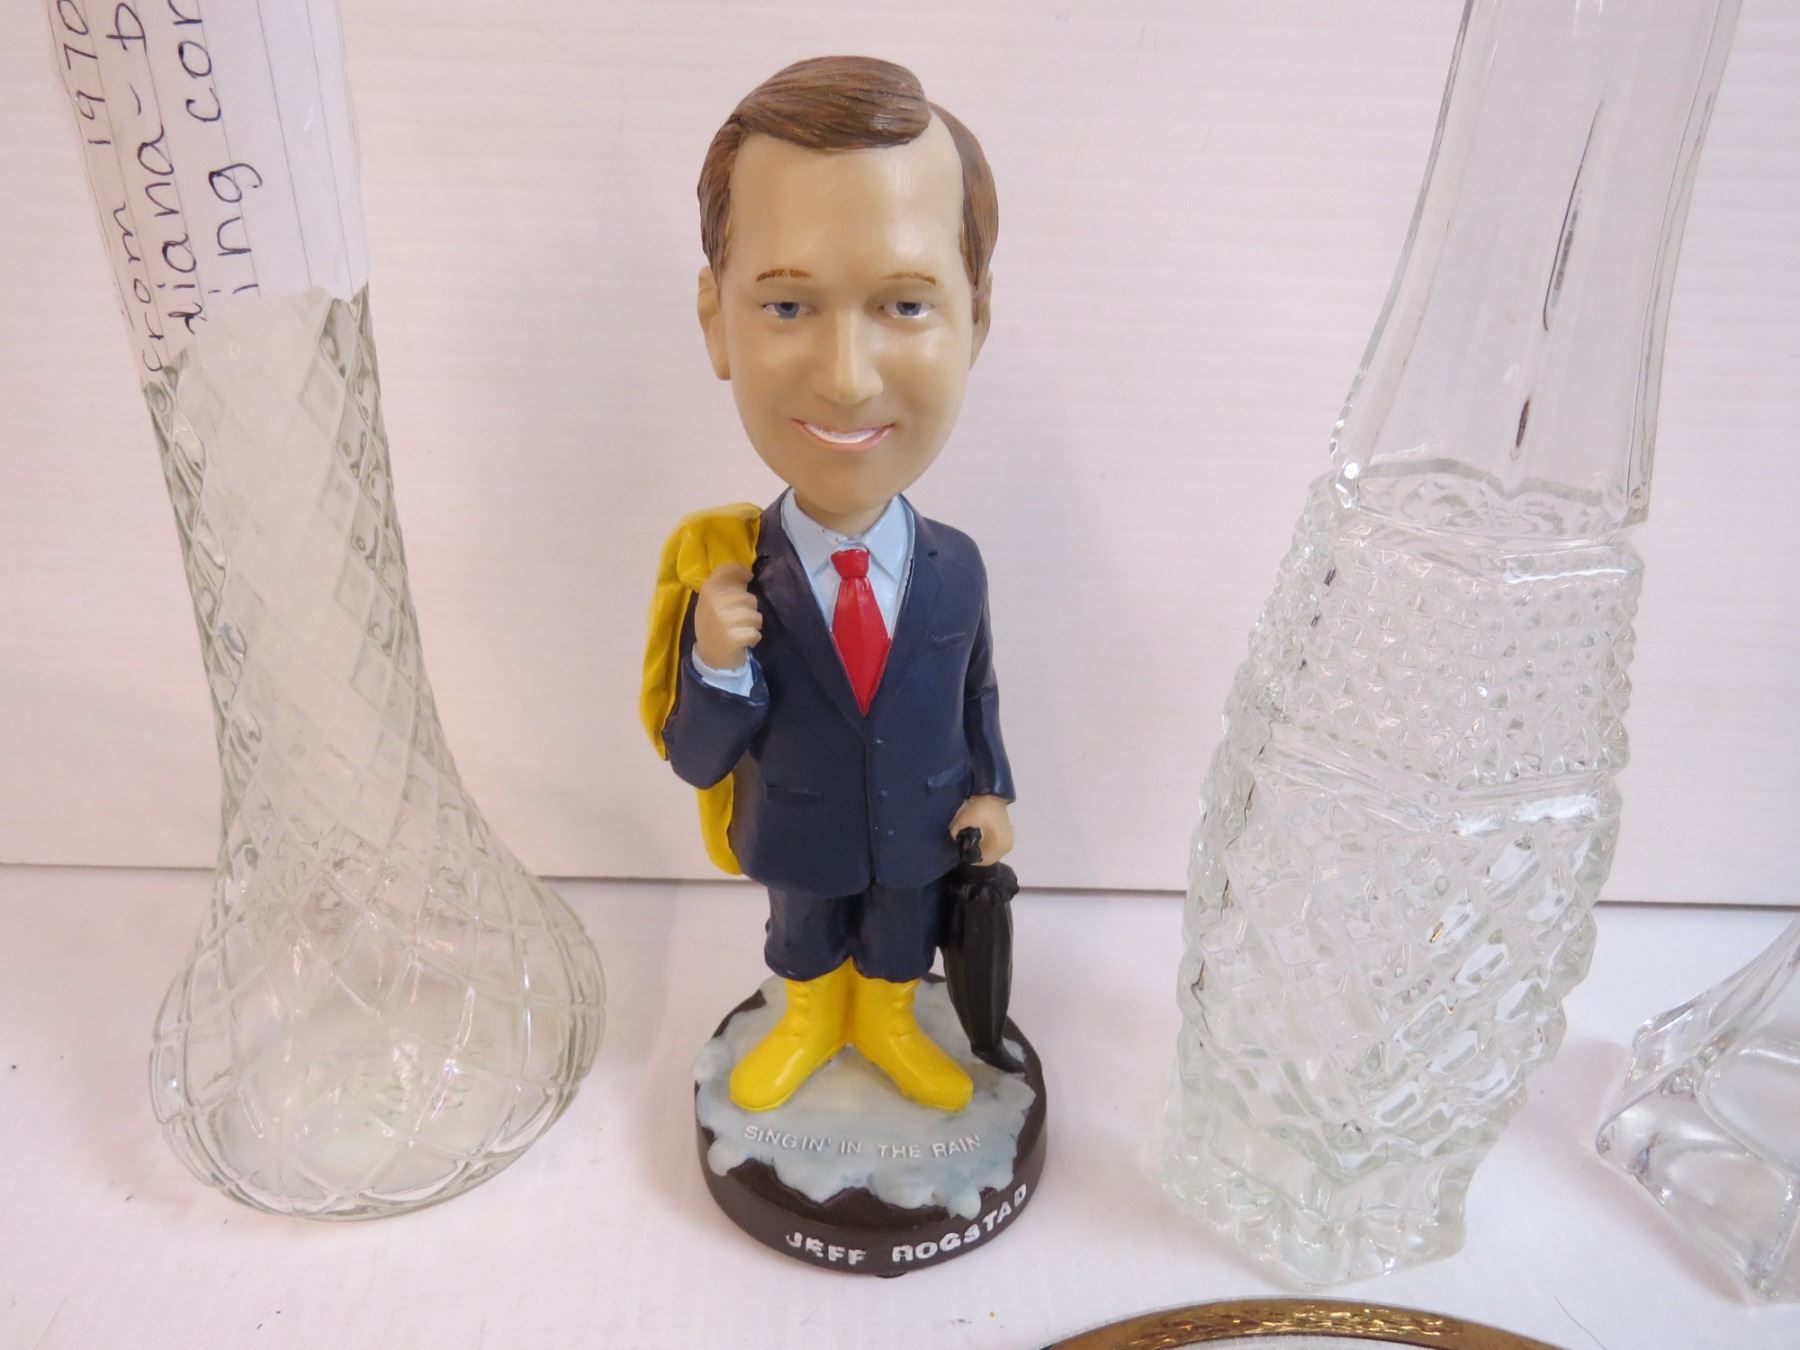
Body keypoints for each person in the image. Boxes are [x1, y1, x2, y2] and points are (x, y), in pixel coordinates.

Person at [646, 56, 1013, 1115]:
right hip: (798, 836)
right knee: (802, 934)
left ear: (976, 321)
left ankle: (888, 1018)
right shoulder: (725, 575)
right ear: (716, 320)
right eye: (788, 304)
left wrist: (992, 787)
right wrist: (717, 661)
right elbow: (695, 756)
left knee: (901, 937)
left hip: (923, 832)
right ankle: (808, 1015)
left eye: (905, 303)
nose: (848, 377)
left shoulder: (957, 567)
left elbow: (976, 691)